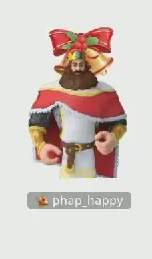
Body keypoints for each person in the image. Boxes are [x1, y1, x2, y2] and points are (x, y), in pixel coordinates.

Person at [28, 28, 127, 178]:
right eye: (75, 65)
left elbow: (119, 122)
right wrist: (41, 146)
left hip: (90, 156)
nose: (78, 69)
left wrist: (113, 137)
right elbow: (37, 123)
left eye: (81, 65)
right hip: (65, 156)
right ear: (69, 66)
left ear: (87, 66)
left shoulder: (103, 93)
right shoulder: (52, 92)